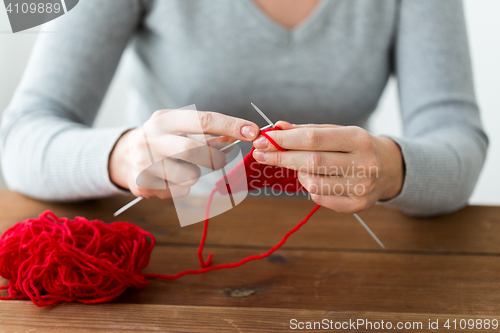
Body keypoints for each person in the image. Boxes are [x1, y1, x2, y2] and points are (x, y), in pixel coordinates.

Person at [0, 0, 488, 217]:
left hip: (349, 251)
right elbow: (21, 138)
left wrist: (392, 168)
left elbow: (456, 136)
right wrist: (122, 155)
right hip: (165, 251)